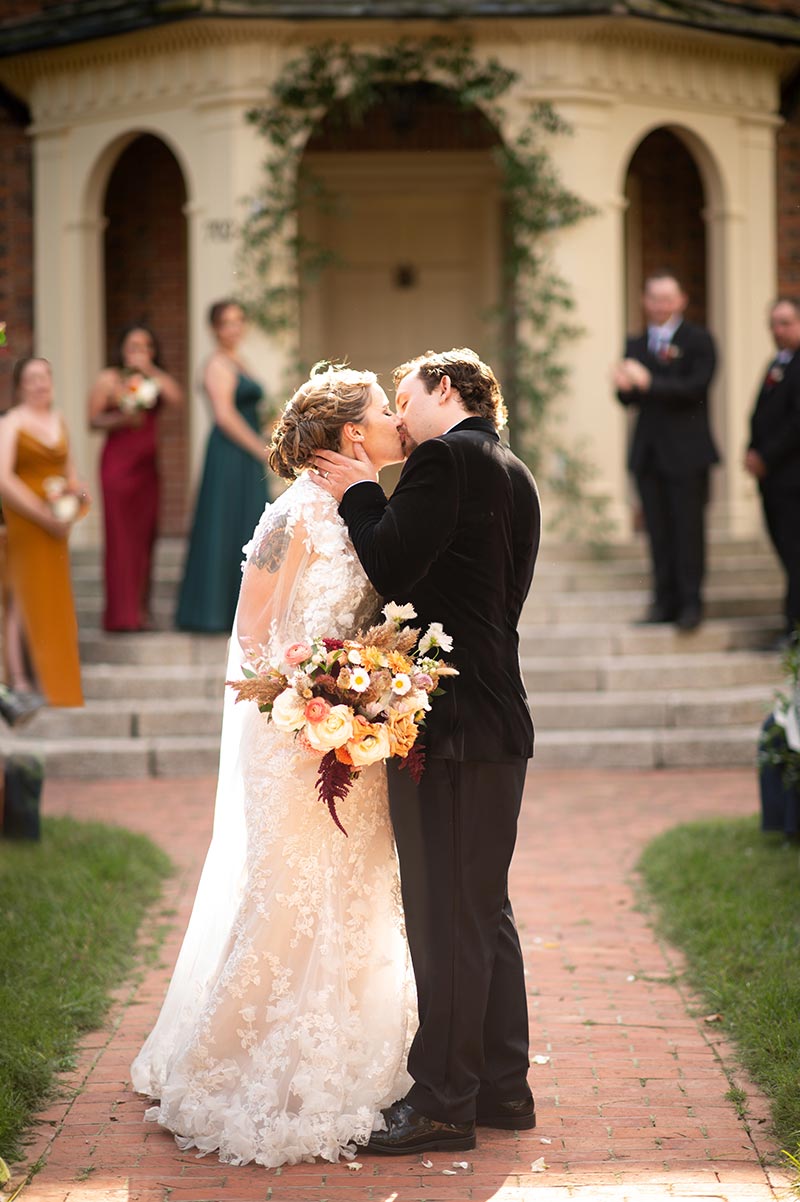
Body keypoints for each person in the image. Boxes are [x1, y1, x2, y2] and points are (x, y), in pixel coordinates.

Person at [132, 365, 415, 1168]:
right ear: (353, 434)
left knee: (356, 886)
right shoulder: (290, 518)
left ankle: (354, 1051)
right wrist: (311, 699)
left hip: (352, 738)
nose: (398, 421)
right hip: (293, 740)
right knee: (287, 890)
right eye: (386, 412)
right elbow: (253, 636)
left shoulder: (372, 509)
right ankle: (235, 1063)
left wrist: (367, 697)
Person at [314, 347, 540, 1155]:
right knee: (483, 910)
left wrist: (360, 494)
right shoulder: (512, 468)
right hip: (499, 723)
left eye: (404, 396)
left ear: (444, 389)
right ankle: (504, 1089)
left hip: (448, 732)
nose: (398, 418)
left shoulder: (447, 458)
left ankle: (444, 1102)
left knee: (445, 916)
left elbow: (393, 561)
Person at [613, 273, 720, 632]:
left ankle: (691, 604)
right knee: (657, 531)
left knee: (687, 530)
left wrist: (649, 382)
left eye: (667, 298)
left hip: (687, 453)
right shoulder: (637, 342)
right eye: (654, 298)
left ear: (681, 301)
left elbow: (696, 388)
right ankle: (664, 601)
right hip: (649, 452)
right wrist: (623, 385)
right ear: (645, 301)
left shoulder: (698, 340)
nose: (660, 305)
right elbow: (630, 399)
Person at [176, 300, 270, 633]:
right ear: (215, 328)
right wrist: (261, 450)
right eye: (227, 322)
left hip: (244, 454)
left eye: (239, 321)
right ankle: (214, 611)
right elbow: (225, 416)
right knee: (226, 524)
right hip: (229, 455)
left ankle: (242, 607)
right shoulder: (216, 364)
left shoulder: (239, 361)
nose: (234, 328)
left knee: (247, 523)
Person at [0, 357, 89, 707]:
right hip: (25, 520)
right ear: (21, 384)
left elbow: (72, 475)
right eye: (32, 378)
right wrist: (40, 514)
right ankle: (20, 678)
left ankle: (55, 678)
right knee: (22, 596)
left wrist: (76, 500)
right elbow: (4, 479)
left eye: (45, 377)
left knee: (53, 595)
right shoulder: (11, 422)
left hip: (56, 522)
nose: (40, 384)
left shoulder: (59, 420)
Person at [89, 324, 183, 632]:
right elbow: (93, 419)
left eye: (145, 347)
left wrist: (149, 370)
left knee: (146, 538)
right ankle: (120, 616)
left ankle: (141, 612)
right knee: (120, 540)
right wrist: (122, 418)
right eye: (133, 346)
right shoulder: (109, 379)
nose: (138, 352)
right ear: (122, 348)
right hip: (117, 468)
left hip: (147, 469)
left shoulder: (154, 379)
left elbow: (177, 398)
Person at [744, 298, 800, 651]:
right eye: (773, 324)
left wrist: (765, 455)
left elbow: (796, 423)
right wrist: (751, 448)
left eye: (785, 323)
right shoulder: (776, 364)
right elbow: (762, 415)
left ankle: (793, 629)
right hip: (773, 481)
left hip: (793, 478)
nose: (777, 331)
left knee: (796, 554)